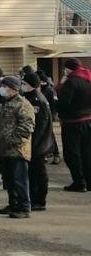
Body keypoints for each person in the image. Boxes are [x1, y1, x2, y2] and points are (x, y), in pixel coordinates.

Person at [0, 75, 35, 219]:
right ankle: (13, 203)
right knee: (9, 180)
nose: (2, 89)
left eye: (5, 86)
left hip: (17, 150)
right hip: (4, 149)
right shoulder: (3, 104)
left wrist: (13, 141)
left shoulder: (23, 104)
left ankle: (24, 207)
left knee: (19, 180)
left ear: (13, 89)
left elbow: (27, 126)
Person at [56, 57, 91, 192]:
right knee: (87, 153)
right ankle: (89, 181)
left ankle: (79, 182)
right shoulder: (88, 79)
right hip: (88, 121)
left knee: (72, 154)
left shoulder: (71, 82)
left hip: (72, 123)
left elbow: (64, 103)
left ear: (68, 69)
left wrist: (60, 88)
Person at [22, 72, 53, 211]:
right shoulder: (29, 97)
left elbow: (39, 126)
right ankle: (33, 198)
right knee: (32, 174)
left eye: (24, 84)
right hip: (34, 144)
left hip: (38, 144)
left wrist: (33, 145)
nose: (22, 86)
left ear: (31, 85)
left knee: (38, 173)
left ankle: (40, 200)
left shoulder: (37, 100)